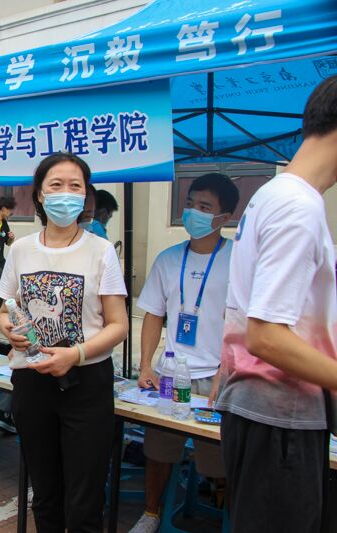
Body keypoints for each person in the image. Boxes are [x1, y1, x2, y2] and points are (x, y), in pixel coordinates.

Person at [216, 76, 337, 533]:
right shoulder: (297, 206)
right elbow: (266, 336)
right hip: (279, 416)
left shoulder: (275, 194)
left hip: (271, 415)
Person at [0, 152, 128, 531]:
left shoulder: (100, 250)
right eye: (56, 185)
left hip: (86, 384)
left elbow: (118, 325)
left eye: (75, 186)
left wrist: (76, 354)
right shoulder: (21, 249)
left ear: (86, 195)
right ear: (40, 194)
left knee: (85, 500)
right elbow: (5, 308)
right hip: (32, 380)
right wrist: (8, 329)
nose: (65, 194)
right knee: (45, 494)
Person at [129, 173, 239, 533]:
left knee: (220, 459)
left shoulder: (239, 261)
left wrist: (227, 372)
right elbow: (153, 315)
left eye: (205, 207)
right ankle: (151, 514)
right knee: (158, 449)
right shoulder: (168, 259)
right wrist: (147, 365)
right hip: (170, 374)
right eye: (190, 204)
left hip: (217, 378)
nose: (193, 212)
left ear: (225, 217)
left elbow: (244, 324)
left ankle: (229, 517)